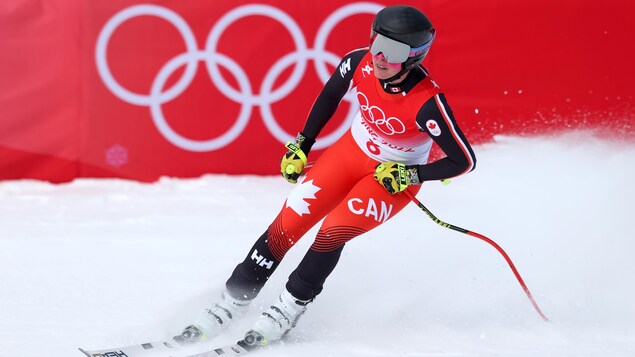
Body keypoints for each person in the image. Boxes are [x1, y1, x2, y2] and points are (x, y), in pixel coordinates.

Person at [179, 5, 476, 347]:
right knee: (288, 222)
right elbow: (331, 95)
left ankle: (286, 310)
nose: (379, 57)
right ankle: (230, 302)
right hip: (350, 153)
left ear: (413, 57)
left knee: (332, 231)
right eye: (377, 42)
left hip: (388, 178)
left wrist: (412, 174)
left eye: (393, 53)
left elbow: (464, 160)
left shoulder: (427, 101)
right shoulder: (358, 61)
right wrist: (302, 144)